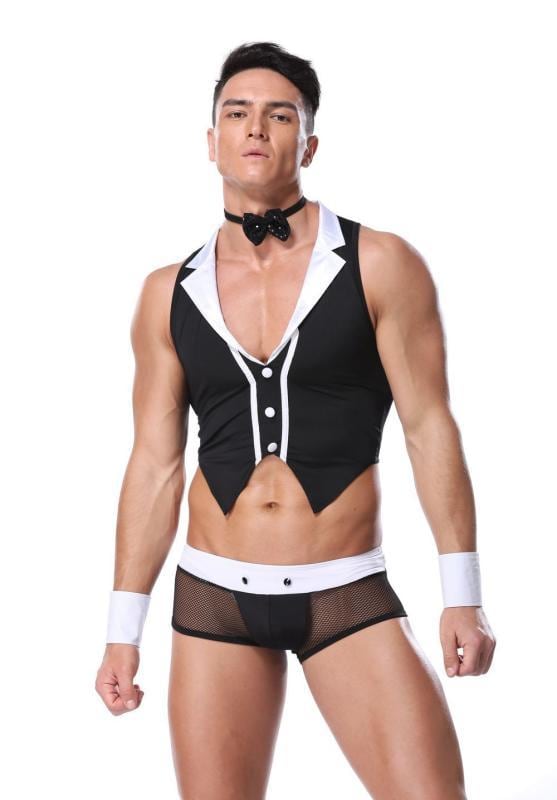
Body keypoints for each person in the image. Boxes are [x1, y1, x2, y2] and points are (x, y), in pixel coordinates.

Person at [95, 41, 496, 800]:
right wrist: (123, 630)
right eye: (236, 114)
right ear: (211, 140)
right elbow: (154, 465)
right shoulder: (165, 293)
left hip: (343, 590)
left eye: (279, 116)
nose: (255, 128)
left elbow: (429, 428)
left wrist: (462, 592)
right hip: (212, 595)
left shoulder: (381, 263)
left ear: (308, 144)